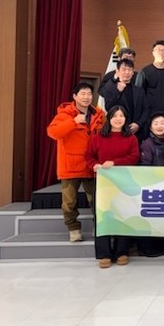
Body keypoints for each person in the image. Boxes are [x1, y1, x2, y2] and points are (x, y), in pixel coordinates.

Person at [46, 81, 106, 243]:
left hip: (92, 165)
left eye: (89, 94)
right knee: (69, 202)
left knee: (97, 200)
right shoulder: (65, 114)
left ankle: (98, 227)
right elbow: (53, 132)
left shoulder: (99, 114)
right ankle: (73, 229)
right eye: (83, 94)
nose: (86, 97)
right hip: (70, 165)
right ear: (75, 96)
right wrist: (74, 122)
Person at [85, 105, 140, 268]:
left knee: (123, 215)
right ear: (109, 118)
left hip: (123, 183)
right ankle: (104, 254)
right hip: (103, 184)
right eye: (115, 116)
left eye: (121, 116)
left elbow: (134, 157)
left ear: (126, 119)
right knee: (102, 217)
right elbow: (89, 156)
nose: (118, 119)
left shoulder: (131, 138)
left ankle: (121, 251)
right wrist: (94, 165)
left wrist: (115, 163)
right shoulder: (97, 138)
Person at [137, 113, 164, 258]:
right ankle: (147, 247)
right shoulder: (147, 144)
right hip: (153, 185)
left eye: (162, 123)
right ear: (150, 127)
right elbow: (145, 165)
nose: (159, 126)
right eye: (156, 123)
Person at [102, 58, 148, 138]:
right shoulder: (110, 88)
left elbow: (146, 109)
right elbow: (108, 107)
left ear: (133, 72)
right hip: (118, 130)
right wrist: (118, 91)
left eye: (129, 70)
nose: (127, 72)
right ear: (117, 71)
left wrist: (138, 124)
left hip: (137, 132)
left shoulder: (139, 90)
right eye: (124, 70)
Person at [135, 40, 164, 124]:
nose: (162, 52)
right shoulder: (144, 71)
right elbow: (138, 93)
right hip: (149, 113)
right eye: (159, 50)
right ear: (153, 52)